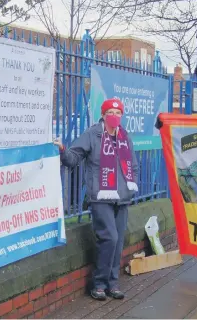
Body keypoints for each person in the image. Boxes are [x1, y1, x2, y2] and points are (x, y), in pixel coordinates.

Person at [54, 98, 139, 301]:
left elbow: (133, 165)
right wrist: (63, 151)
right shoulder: (93, 134)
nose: (115, 116)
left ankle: (113, 283)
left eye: (118, 113)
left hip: (122, 197)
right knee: (109, 237)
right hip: (101, 196)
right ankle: (99, 283)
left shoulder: (125, 137)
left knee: (118, 243)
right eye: (110, 112)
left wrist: (132, 183)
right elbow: (74, 157)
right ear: (103, 114)